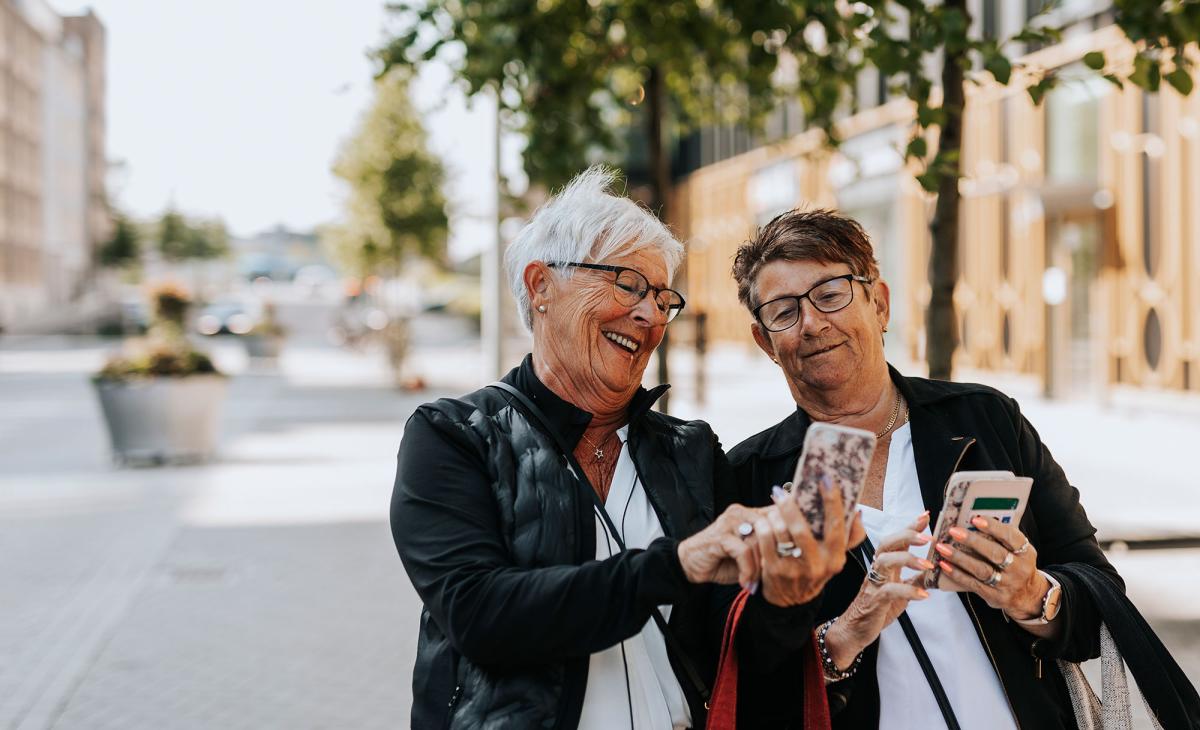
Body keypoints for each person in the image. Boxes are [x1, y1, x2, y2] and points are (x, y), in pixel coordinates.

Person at [391, 169, 860, 729]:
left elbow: (734, 650)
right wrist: (676, 564)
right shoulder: (455, 435)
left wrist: (787, 597)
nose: (651, 316)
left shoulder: (689, 451)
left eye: (663, 297)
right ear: (541, 286)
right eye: (628, 284)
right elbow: (480, 614)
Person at [726, 209, 1124, 729]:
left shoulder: (986, 420)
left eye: (830, 294)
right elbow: (744, 672)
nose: (812, 323)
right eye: (784, 311)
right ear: (765, 343)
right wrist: (844, 634)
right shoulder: (749, 476)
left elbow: (1099, 597)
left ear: (880, 303)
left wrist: (1033, 595)